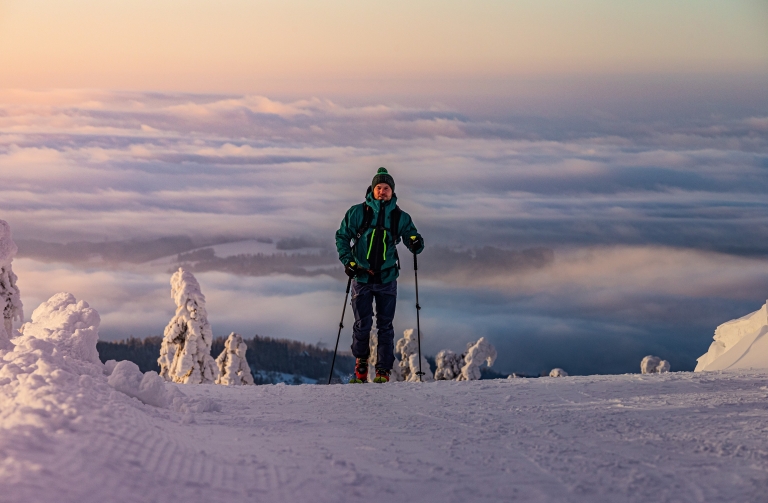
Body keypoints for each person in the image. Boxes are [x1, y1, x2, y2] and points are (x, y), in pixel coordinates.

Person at [335, 168, 424, 383]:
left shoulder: (399, 217)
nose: (382, 191)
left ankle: (383, 370)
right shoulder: (357, 213)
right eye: (379, 188)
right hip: (362, 278)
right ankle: (361, 364)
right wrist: (349, 262)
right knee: (362, 324)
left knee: (385, 325)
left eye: (386, 188)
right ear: (372, 190)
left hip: (386, 278)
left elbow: (413, 238)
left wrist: (415, 242)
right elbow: (342, 237)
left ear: (392, 192)